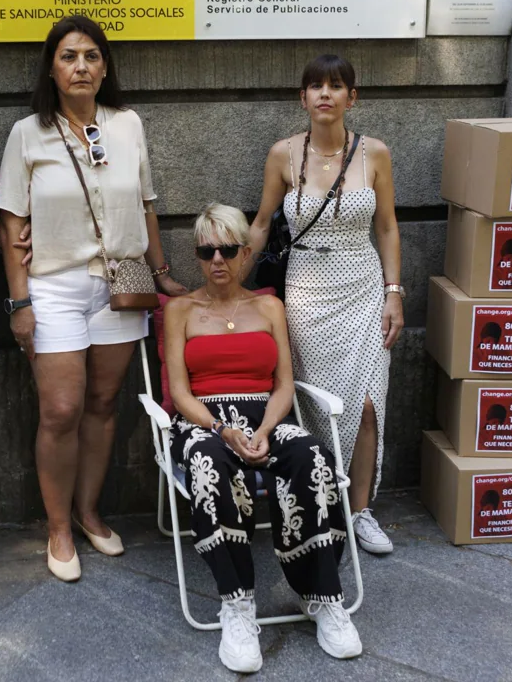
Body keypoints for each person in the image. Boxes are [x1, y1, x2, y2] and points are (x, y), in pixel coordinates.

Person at [0, 15, 186, 582]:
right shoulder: (28, 133)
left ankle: (87, 512)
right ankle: (57, 527)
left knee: (105, 404)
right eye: (68, 56)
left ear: (105, 68)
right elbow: (11, 221)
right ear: (51, 68)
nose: (81, 66)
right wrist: (18, 303)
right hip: (53, 284)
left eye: (92, 56)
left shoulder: (127, 125)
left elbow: (146, 204)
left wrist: (163, 274)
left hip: (121, 284)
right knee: (60, 409)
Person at [165, 203, 360, 672]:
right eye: (206, 251)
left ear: (245, 254)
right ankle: (236, 604)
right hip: (204, 422)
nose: (217, 260)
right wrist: (222, 429)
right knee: (210, 462)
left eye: (228, 250)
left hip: (266, 416)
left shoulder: (270, 306)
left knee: (311, 454)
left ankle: (322, 596)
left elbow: (284, 385)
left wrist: (266, 429)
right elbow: (178, 392)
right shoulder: (180, 311)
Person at [244, 54, 403, 556]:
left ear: (352, 97)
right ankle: (323, 502)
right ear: (303, 97)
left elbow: (388, 228)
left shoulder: (375, 153)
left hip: (362, 285)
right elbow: (263, 223)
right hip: (308, 294)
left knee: (368, 402)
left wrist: (393, 294)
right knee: (314, 405)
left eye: (336, 86)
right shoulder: (283, 155)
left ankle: (360, 511)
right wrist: (228, 283)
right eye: (315, 86)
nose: (325, 94)